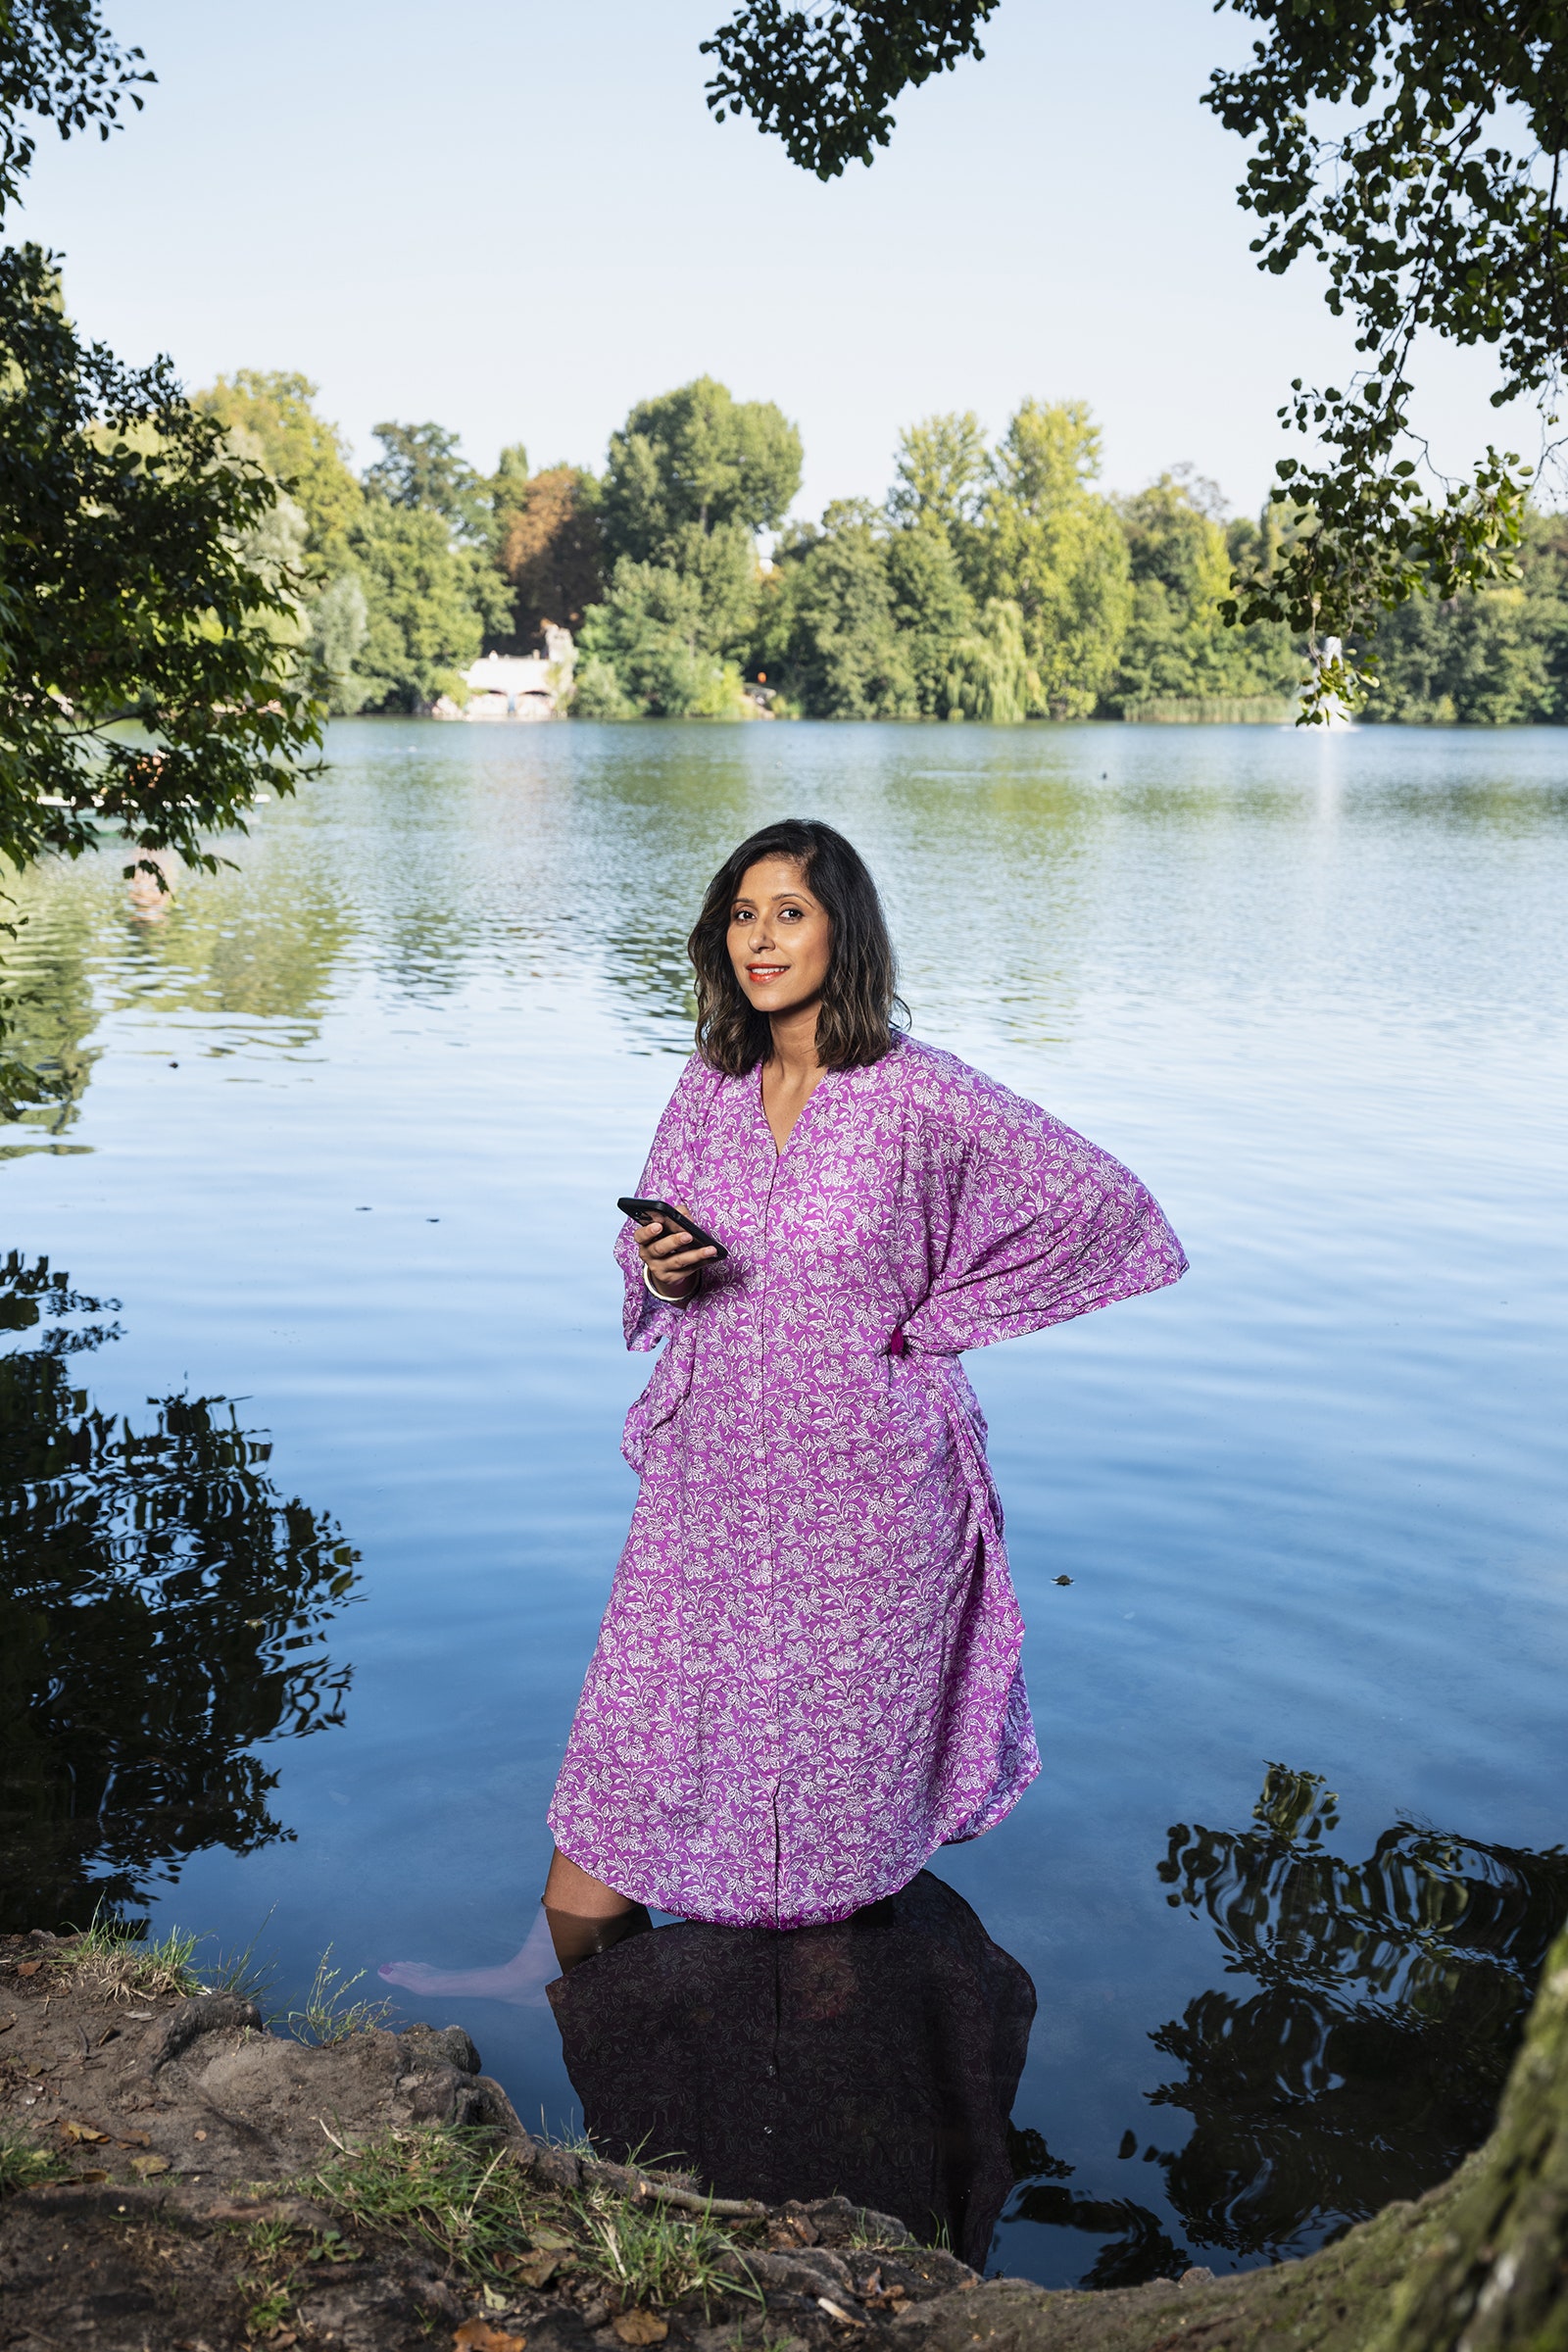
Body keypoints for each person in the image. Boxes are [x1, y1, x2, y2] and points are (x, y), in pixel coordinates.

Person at [382, 817, 1185, 2004]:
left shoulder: (921, 1096)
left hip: (867, 1480)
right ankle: (552, 1969)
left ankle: (821, 2049)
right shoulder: (709, 1084)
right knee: (643, 1705)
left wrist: (931, 1320)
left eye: (789, 913)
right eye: (742, 915)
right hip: (710, 1466)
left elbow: (1114, 1216)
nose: (759, 939)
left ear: (841, 931)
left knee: (831, 1757)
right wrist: (663, 1266)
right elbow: (640, 1239)